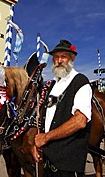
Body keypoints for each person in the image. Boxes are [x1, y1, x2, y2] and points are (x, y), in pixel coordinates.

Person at [34, 39, 92, 177]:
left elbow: (80, 121)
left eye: (63, 56)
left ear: (72, 58)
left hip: (68, 164)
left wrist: (46, 138)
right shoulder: (52, 86)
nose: (59, 60)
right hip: (48, 160)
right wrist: (37, 145)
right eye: (56, 57)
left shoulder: (80, 81)